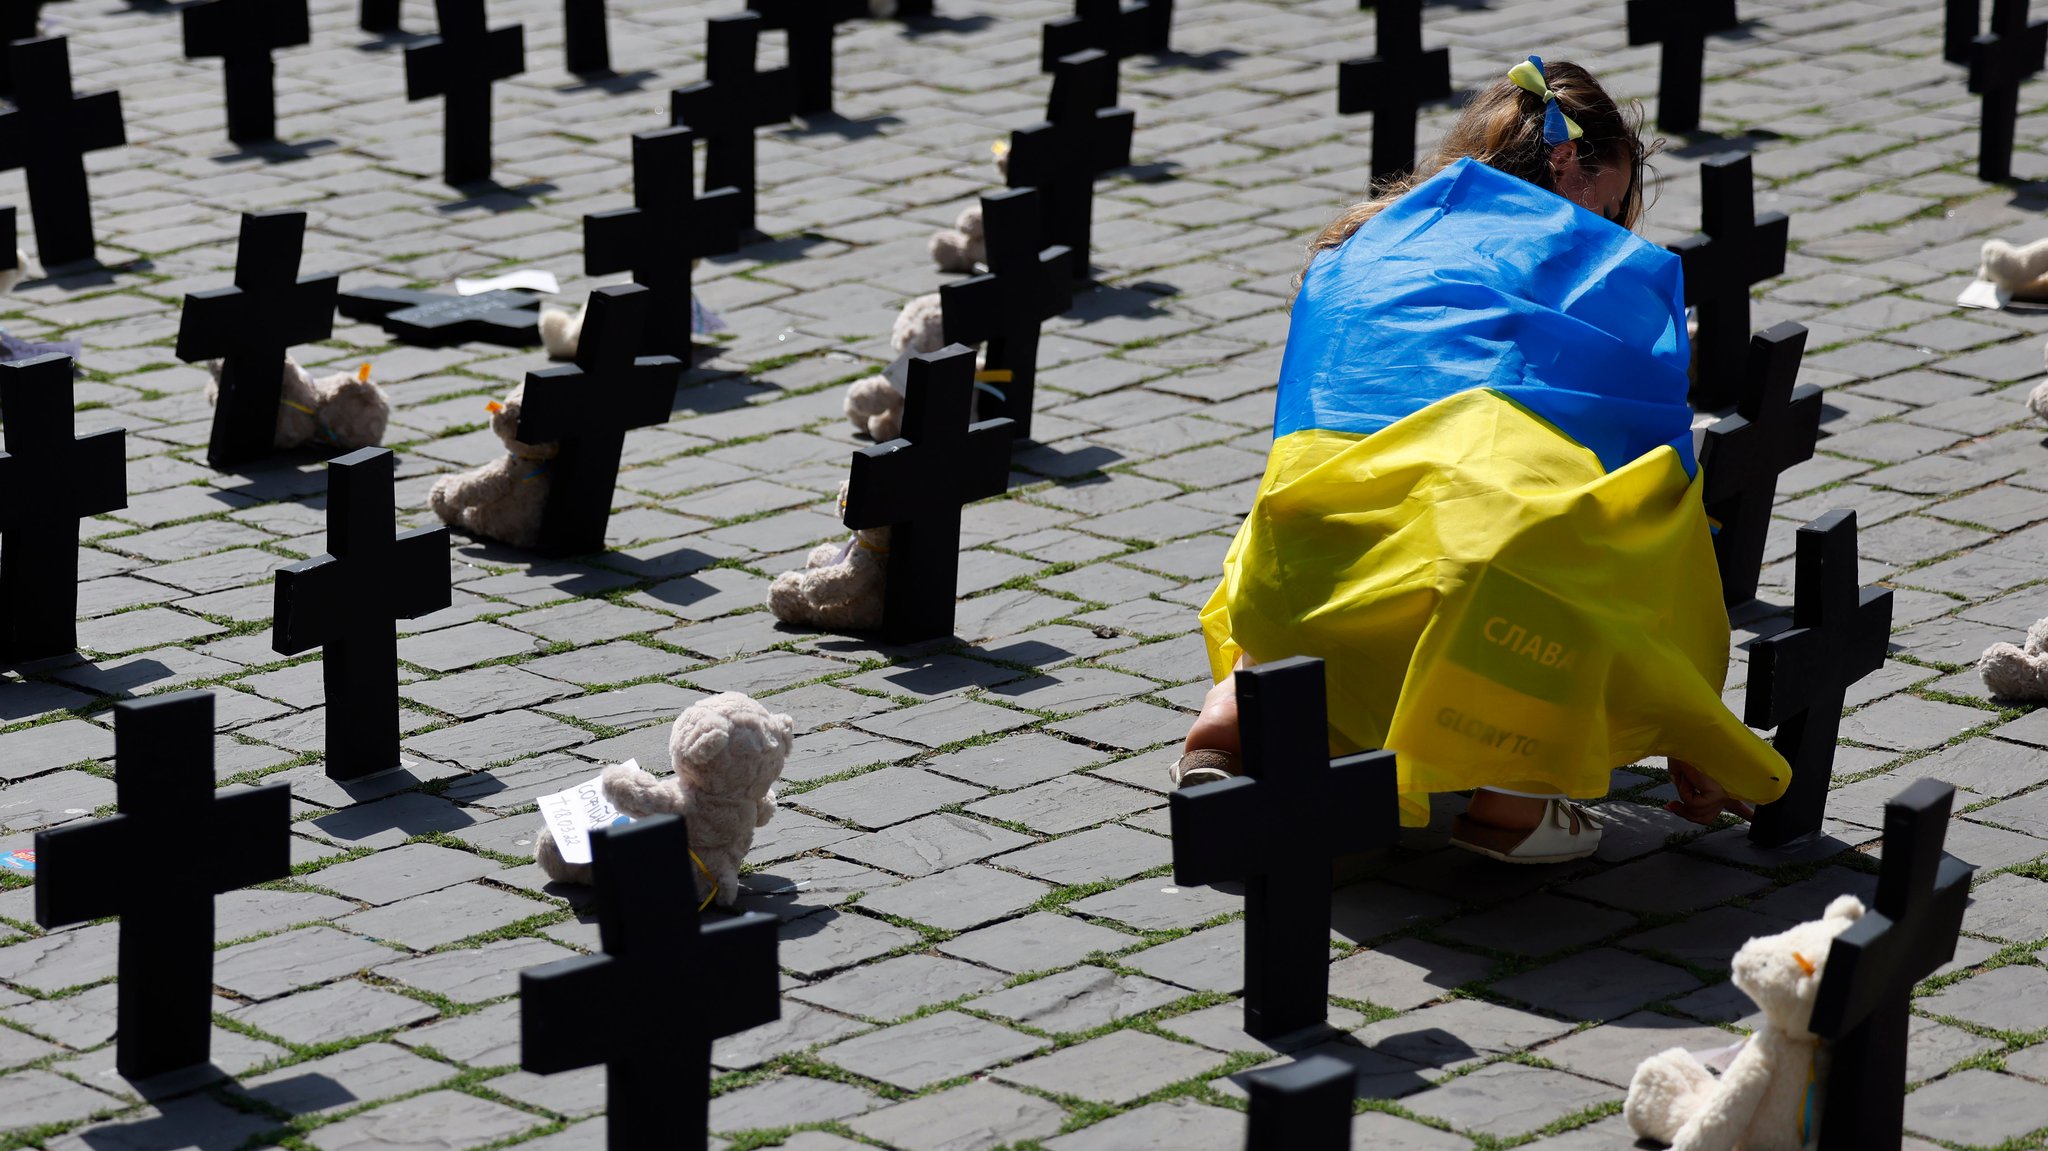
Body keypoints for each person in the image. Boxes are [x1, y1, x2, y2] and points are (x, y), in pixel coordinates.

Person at [1175, 57, 1787, 863]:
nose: (1615, 230)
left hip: (1295, 564)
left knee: (1356, 510)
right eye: (1613, 205)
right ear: (1574, 171)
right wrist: (1684, 716)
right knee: (1607, 524)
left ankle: (1227, 720)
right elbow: (1646, 476)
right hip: (1471, 572)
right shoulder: (1593, 274)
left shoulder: (1370, 239)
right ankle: (1511, 796)